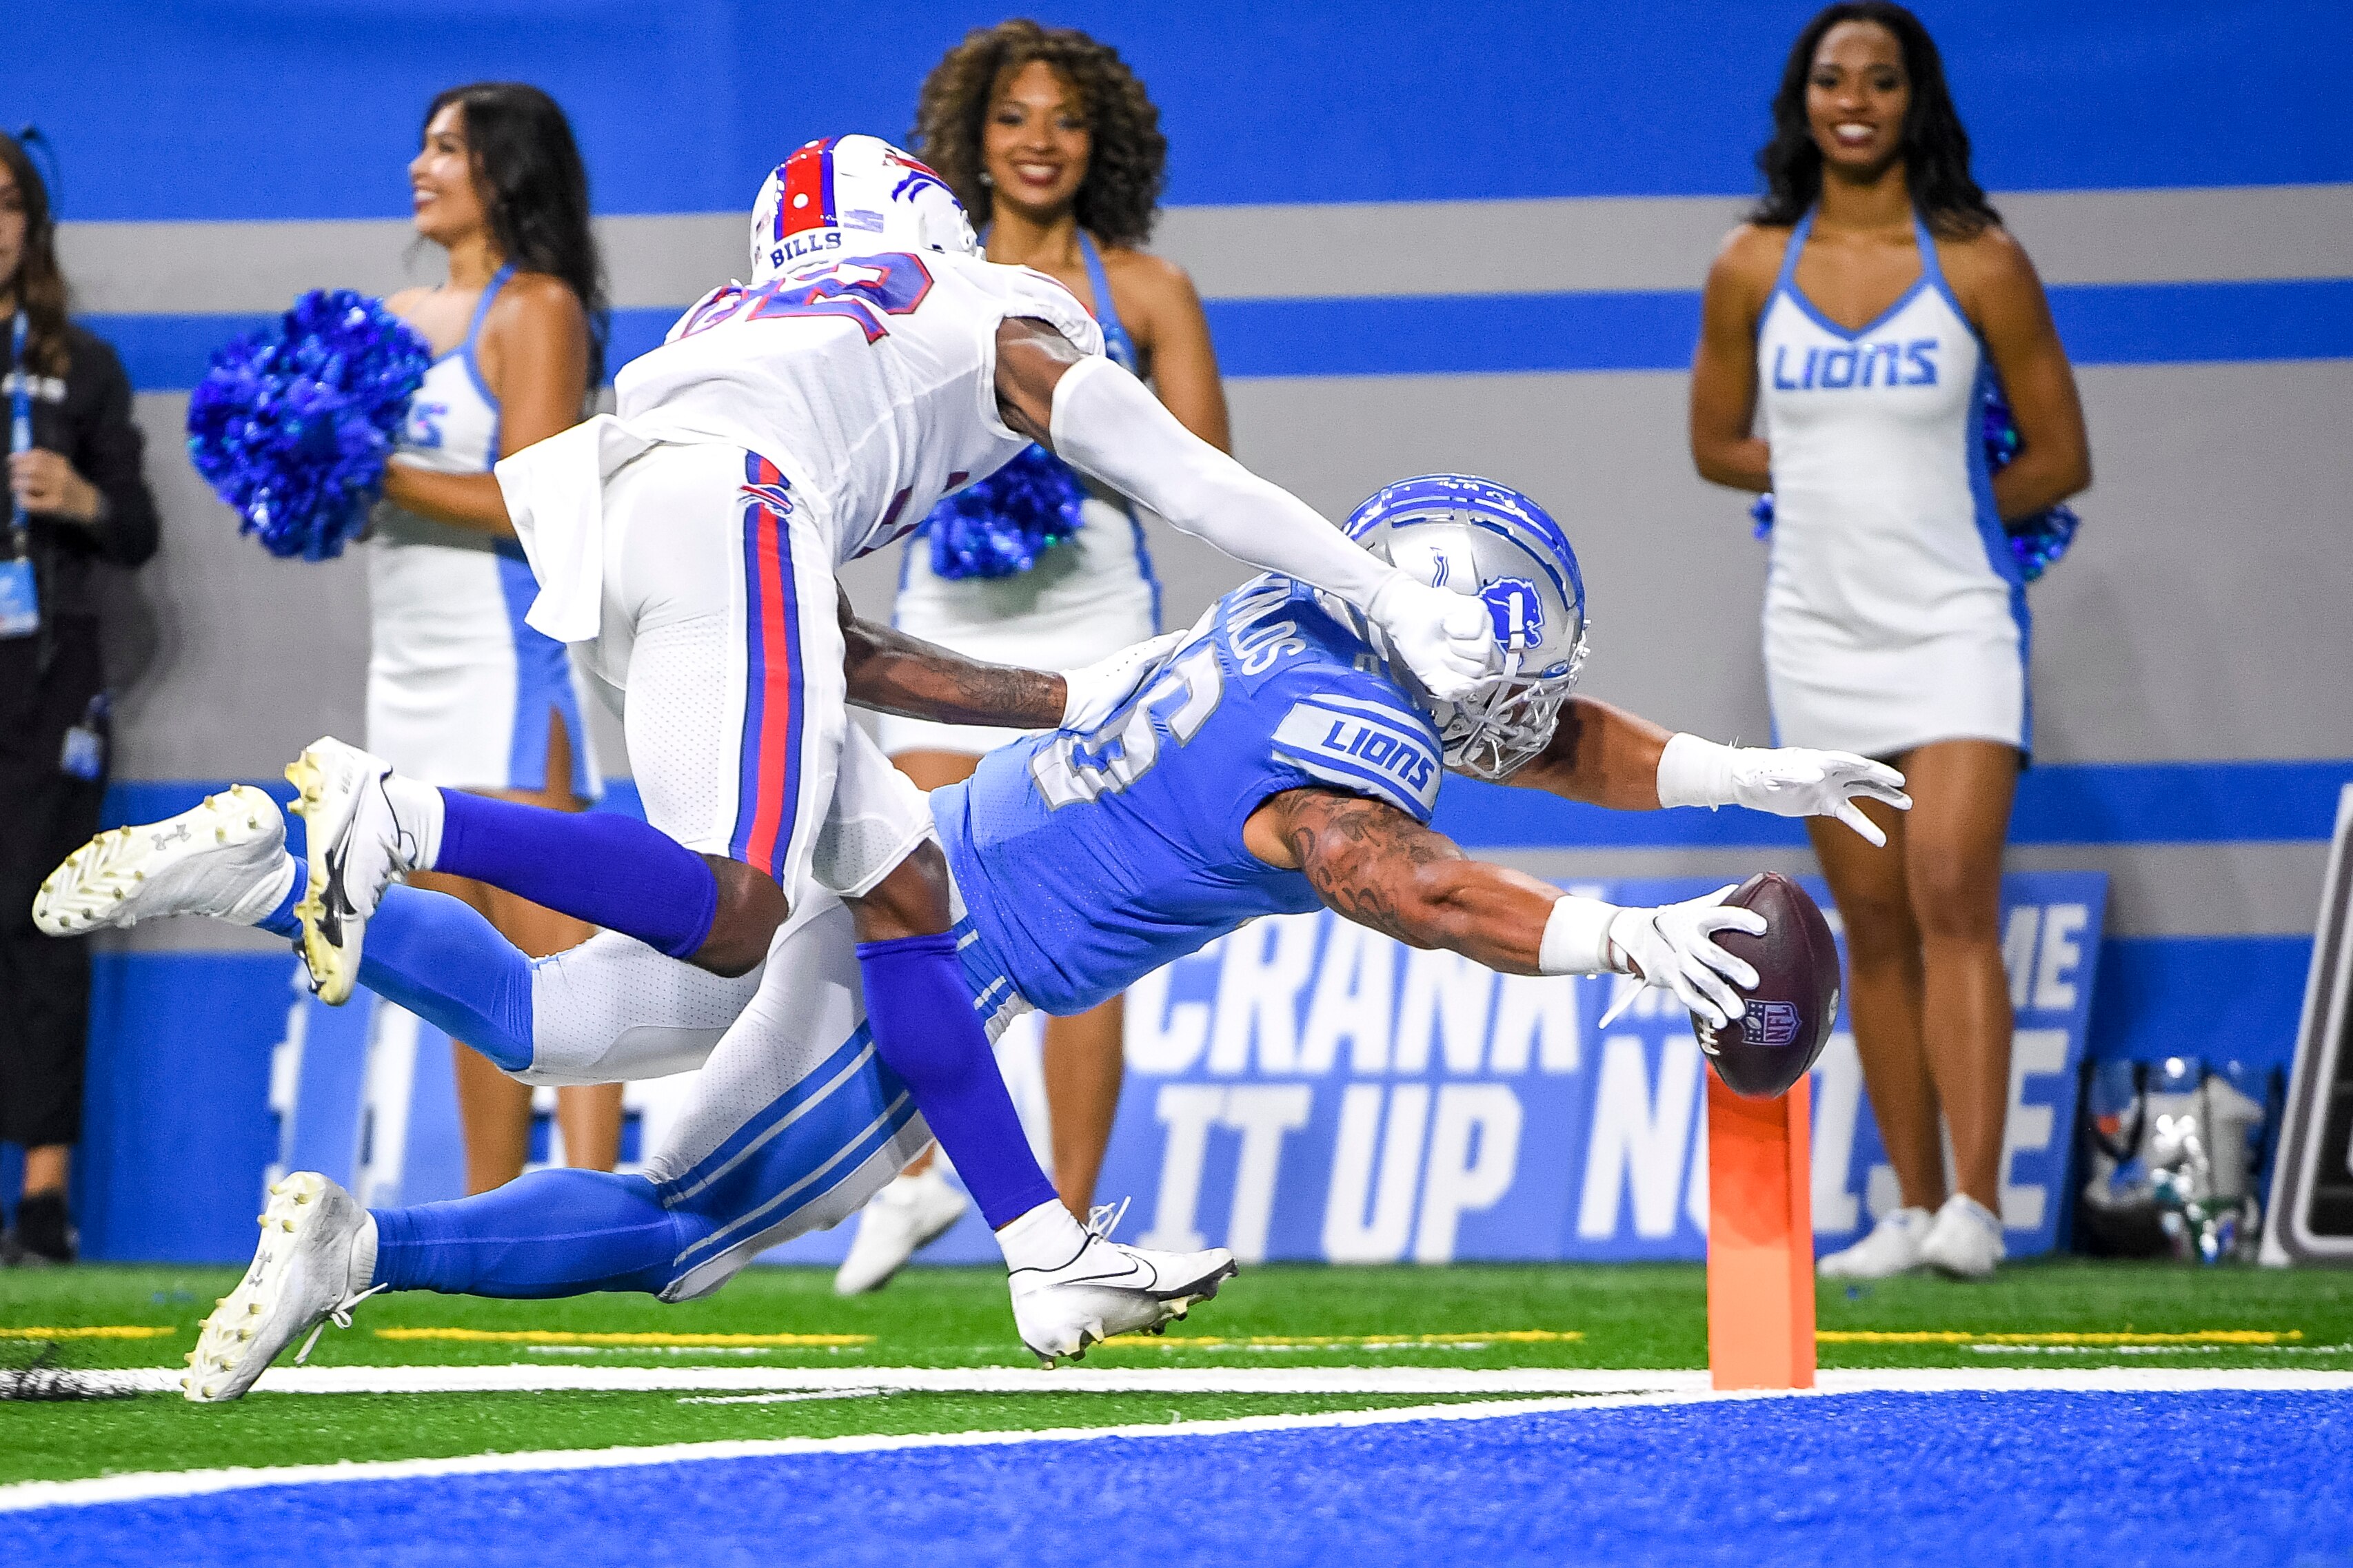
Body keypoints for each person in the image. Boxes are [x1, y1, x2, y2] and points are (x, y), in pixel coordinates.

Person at [42, 474, 1907, 1397]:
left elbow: (1525, 737)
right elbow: (1387, 874)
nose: (1539, 694)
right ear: (1458, 643)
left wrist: (1728, 773)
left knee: (556, 1019)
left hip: (909, 842)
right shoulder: (1349, 752)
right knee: (684, 1230)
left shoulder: (1298, 623)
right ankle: (366, 1233)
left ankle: (309, 872)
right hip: (940, 956)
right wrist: (1606, 939)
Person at [268, 135, 1495, 1361]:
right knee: (738, 909)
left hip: (621, 533)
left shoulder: (745, 323)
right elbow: (1184, 473)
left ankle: (1040, 1248)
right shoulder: (979, 304)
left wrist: (1071, 695)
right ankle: (407, 821)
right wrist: (1379, 595)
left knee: (908, 891)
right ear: (926, 221)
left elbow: (834, 653)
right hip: (729, 517)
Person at [1687, 2, 2090, 1279]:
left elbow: (2062, 455)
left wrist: (1942, 507)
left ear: (1916, 100)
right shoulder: (1751, 261)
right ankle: (1912, 1214)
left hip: (1958, 623)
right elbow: (1712, 443)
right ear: (1799, 101)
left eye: (1877, 79)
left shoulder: (1978, 261)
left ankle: (1979, 1208)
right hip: (1816, 632)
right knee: (1871, 928)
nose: (1850, 98)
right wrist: (1820, 481)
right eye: (1827, 78)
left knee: (1952, 899)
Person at [839, 19, 1232, 1292]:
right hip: (949, 625)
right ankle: (916, 1178)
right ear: (972, 143)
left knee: (1092, 920)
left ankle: (1070, 1216)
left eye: (1063, 118)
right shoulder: (924, 289)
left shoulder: (1148, 293)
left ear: (1099, 139)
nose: (1039, 140)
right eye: (1013, 118)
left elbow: (1200, 473)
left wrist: (1074, 455)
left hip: (1103, 630)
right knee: (904, 885)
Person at [372, 83, 621, 1191]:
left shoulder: (538, 309)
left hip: (507, 663)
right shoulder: (386, 317)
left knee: (552, 941)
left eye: (449, 149)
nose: (422, 166)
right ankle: (490, 1208)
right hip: (408, 665)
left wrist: (370, 471)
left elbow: (534, 501)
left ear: (505, 172)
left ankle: (593, 1202)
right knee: (457, 950)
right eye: (422, 145)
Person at [0, 132, 159, 1265]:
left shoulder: (80, 365)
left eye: (7, 205)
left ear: (33, 225)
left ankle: (44, 1205)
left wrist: (82, 495)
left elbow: (140, 529)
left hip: (46, 678)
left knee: (45, 925)